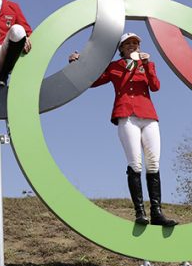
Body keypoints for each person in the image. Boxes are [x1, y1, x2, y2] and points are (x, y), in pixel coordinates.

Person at [69, 33, 178, 227]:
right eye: (128, 44)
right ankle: (139, 212)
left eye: (135, 43)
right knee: (135, 163)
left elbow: (155, 86)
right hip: (127, 115)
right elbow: (92, 81)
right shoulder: (114, 67)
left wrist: (147, 64)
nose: (133, 46)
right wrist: (76, 64)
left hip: (149, 116)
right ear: (121, 48)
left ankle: (157, 213)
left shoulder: (146, 65)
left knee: (153, 163)